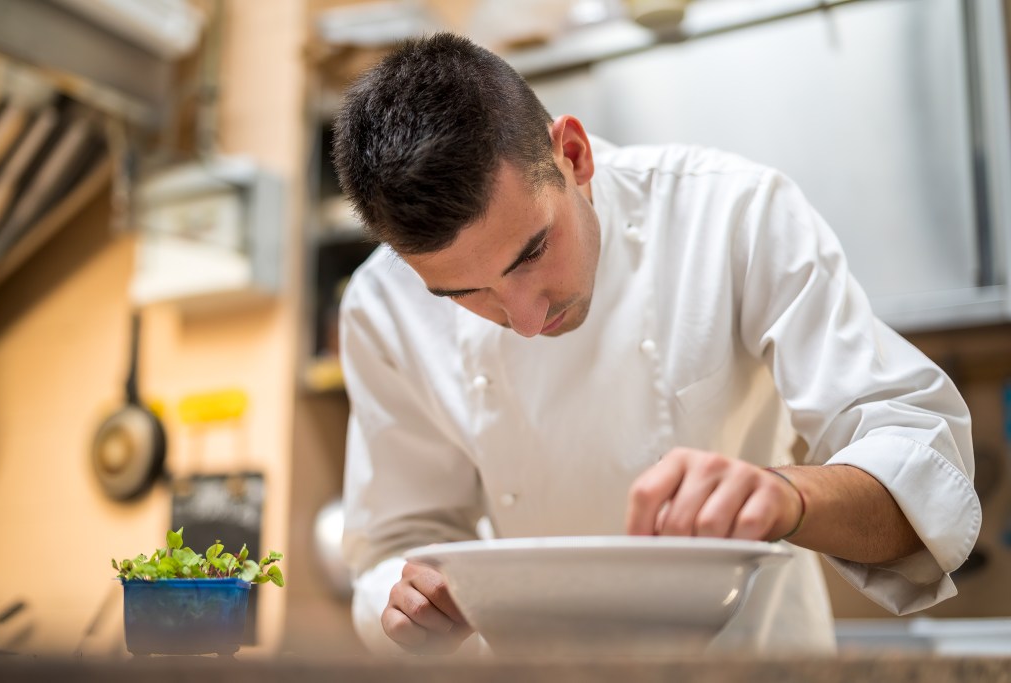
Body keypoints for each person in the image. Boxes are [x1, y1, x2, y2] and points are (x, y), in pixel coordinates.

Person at [331, 32, 980, 656]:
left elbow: (921, 465)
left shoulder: (731, 214)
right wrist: (411, 603)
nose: (526, 319)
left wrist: (786, 495)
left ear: (574, 156)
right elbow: (398, 541)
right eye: (463, 294)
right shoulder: (382, 306)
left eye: (532, 251)